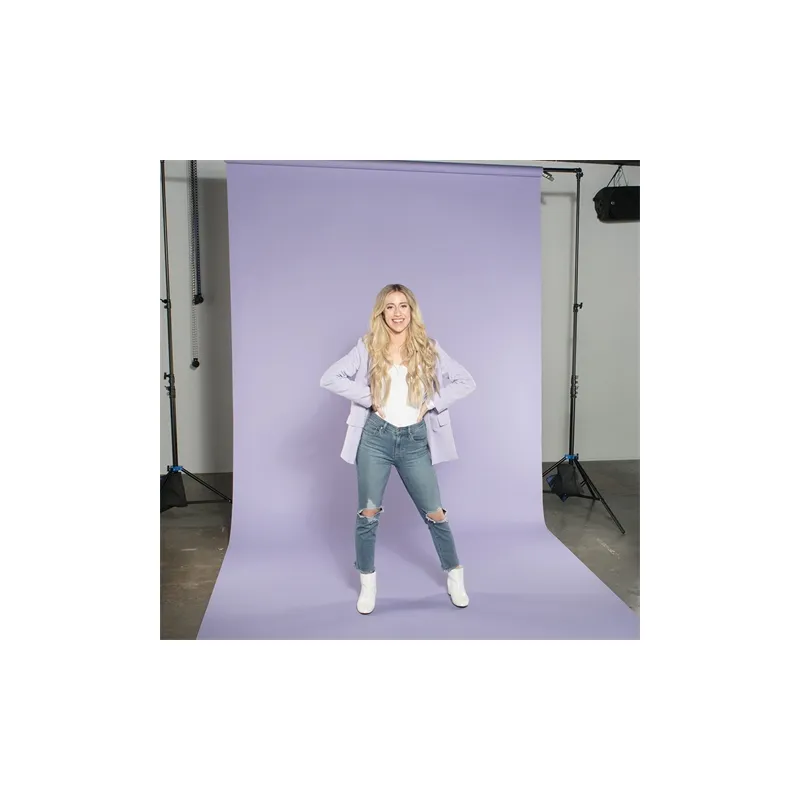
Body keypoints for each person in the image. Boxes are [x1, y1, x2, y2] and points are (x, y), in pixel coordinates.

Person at [320, 283, 476, 614]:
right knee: (368, 514)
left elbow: (466, 381)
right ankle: (368, 586)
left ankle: (455, 575)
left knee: (435, 512)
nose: (397, 313)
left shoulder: (428, 347)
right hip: (375, 439)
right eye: (389, 307)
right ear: (381, 312)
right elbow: (330, 378)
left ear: (411, 310)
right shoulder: (367, 346)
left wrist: (431, 403)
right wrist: (369, 398)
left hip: (414, 441)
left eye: (403, 306)